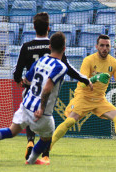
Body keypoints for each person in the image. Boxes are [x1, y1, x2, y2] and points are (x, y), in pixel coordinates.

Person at [0, 32, 69, 165]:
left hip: (26, 105)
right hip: (41, 112)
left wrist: (25, 83)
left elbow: (26, 80)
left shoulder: (40, 61)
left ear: (49, 47)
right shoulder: (61, 67)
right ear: (64, 49)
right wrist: (42, 108)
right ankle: (31, 161)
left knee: (11, 131)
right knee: (46, 138)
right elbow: (48, 87)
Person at [13, 12, 92, 163]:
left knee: (28, 115)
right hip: (48, 87)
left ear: (34, 27)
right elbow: (68, 68)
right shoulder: (55, 44)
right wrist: (85, 79)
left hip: (31, 87)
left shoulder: (26, 46)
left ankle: (30, 141)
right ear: (48, 28)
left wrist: (20, 81)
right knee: (47, 123)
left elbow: (18, 71)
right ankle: (45, 155)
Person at [50, 34, 116, 156]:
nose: (104, 48)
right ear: (96, 46)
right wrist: (96, 78)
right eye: (102, 45)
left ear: (110, 47)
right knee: (70, 122)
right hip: (83, 97)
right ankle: (49, 145)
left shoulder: (114, 63)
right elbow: (82, 83)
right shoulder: (88, 60)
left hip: (99, 100)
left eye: (107, 46)